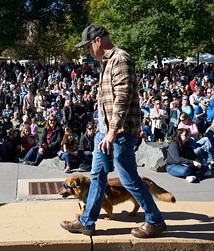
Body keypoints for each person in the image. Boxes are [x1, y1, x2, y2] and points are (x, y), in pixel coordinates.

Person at [60, 25, 166, 238]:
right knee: (97, 176)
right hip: (105, 131)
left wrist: (112, 131)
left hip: (120, 133)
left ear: (97, 41)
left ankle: (155, 221)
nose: (87, 52)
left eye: (88, 47)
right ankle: (87, 222)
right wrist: (104, 127)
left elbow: (123, 97)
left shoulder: (121, 59)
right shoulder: (107, 61)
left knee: (128, 179)